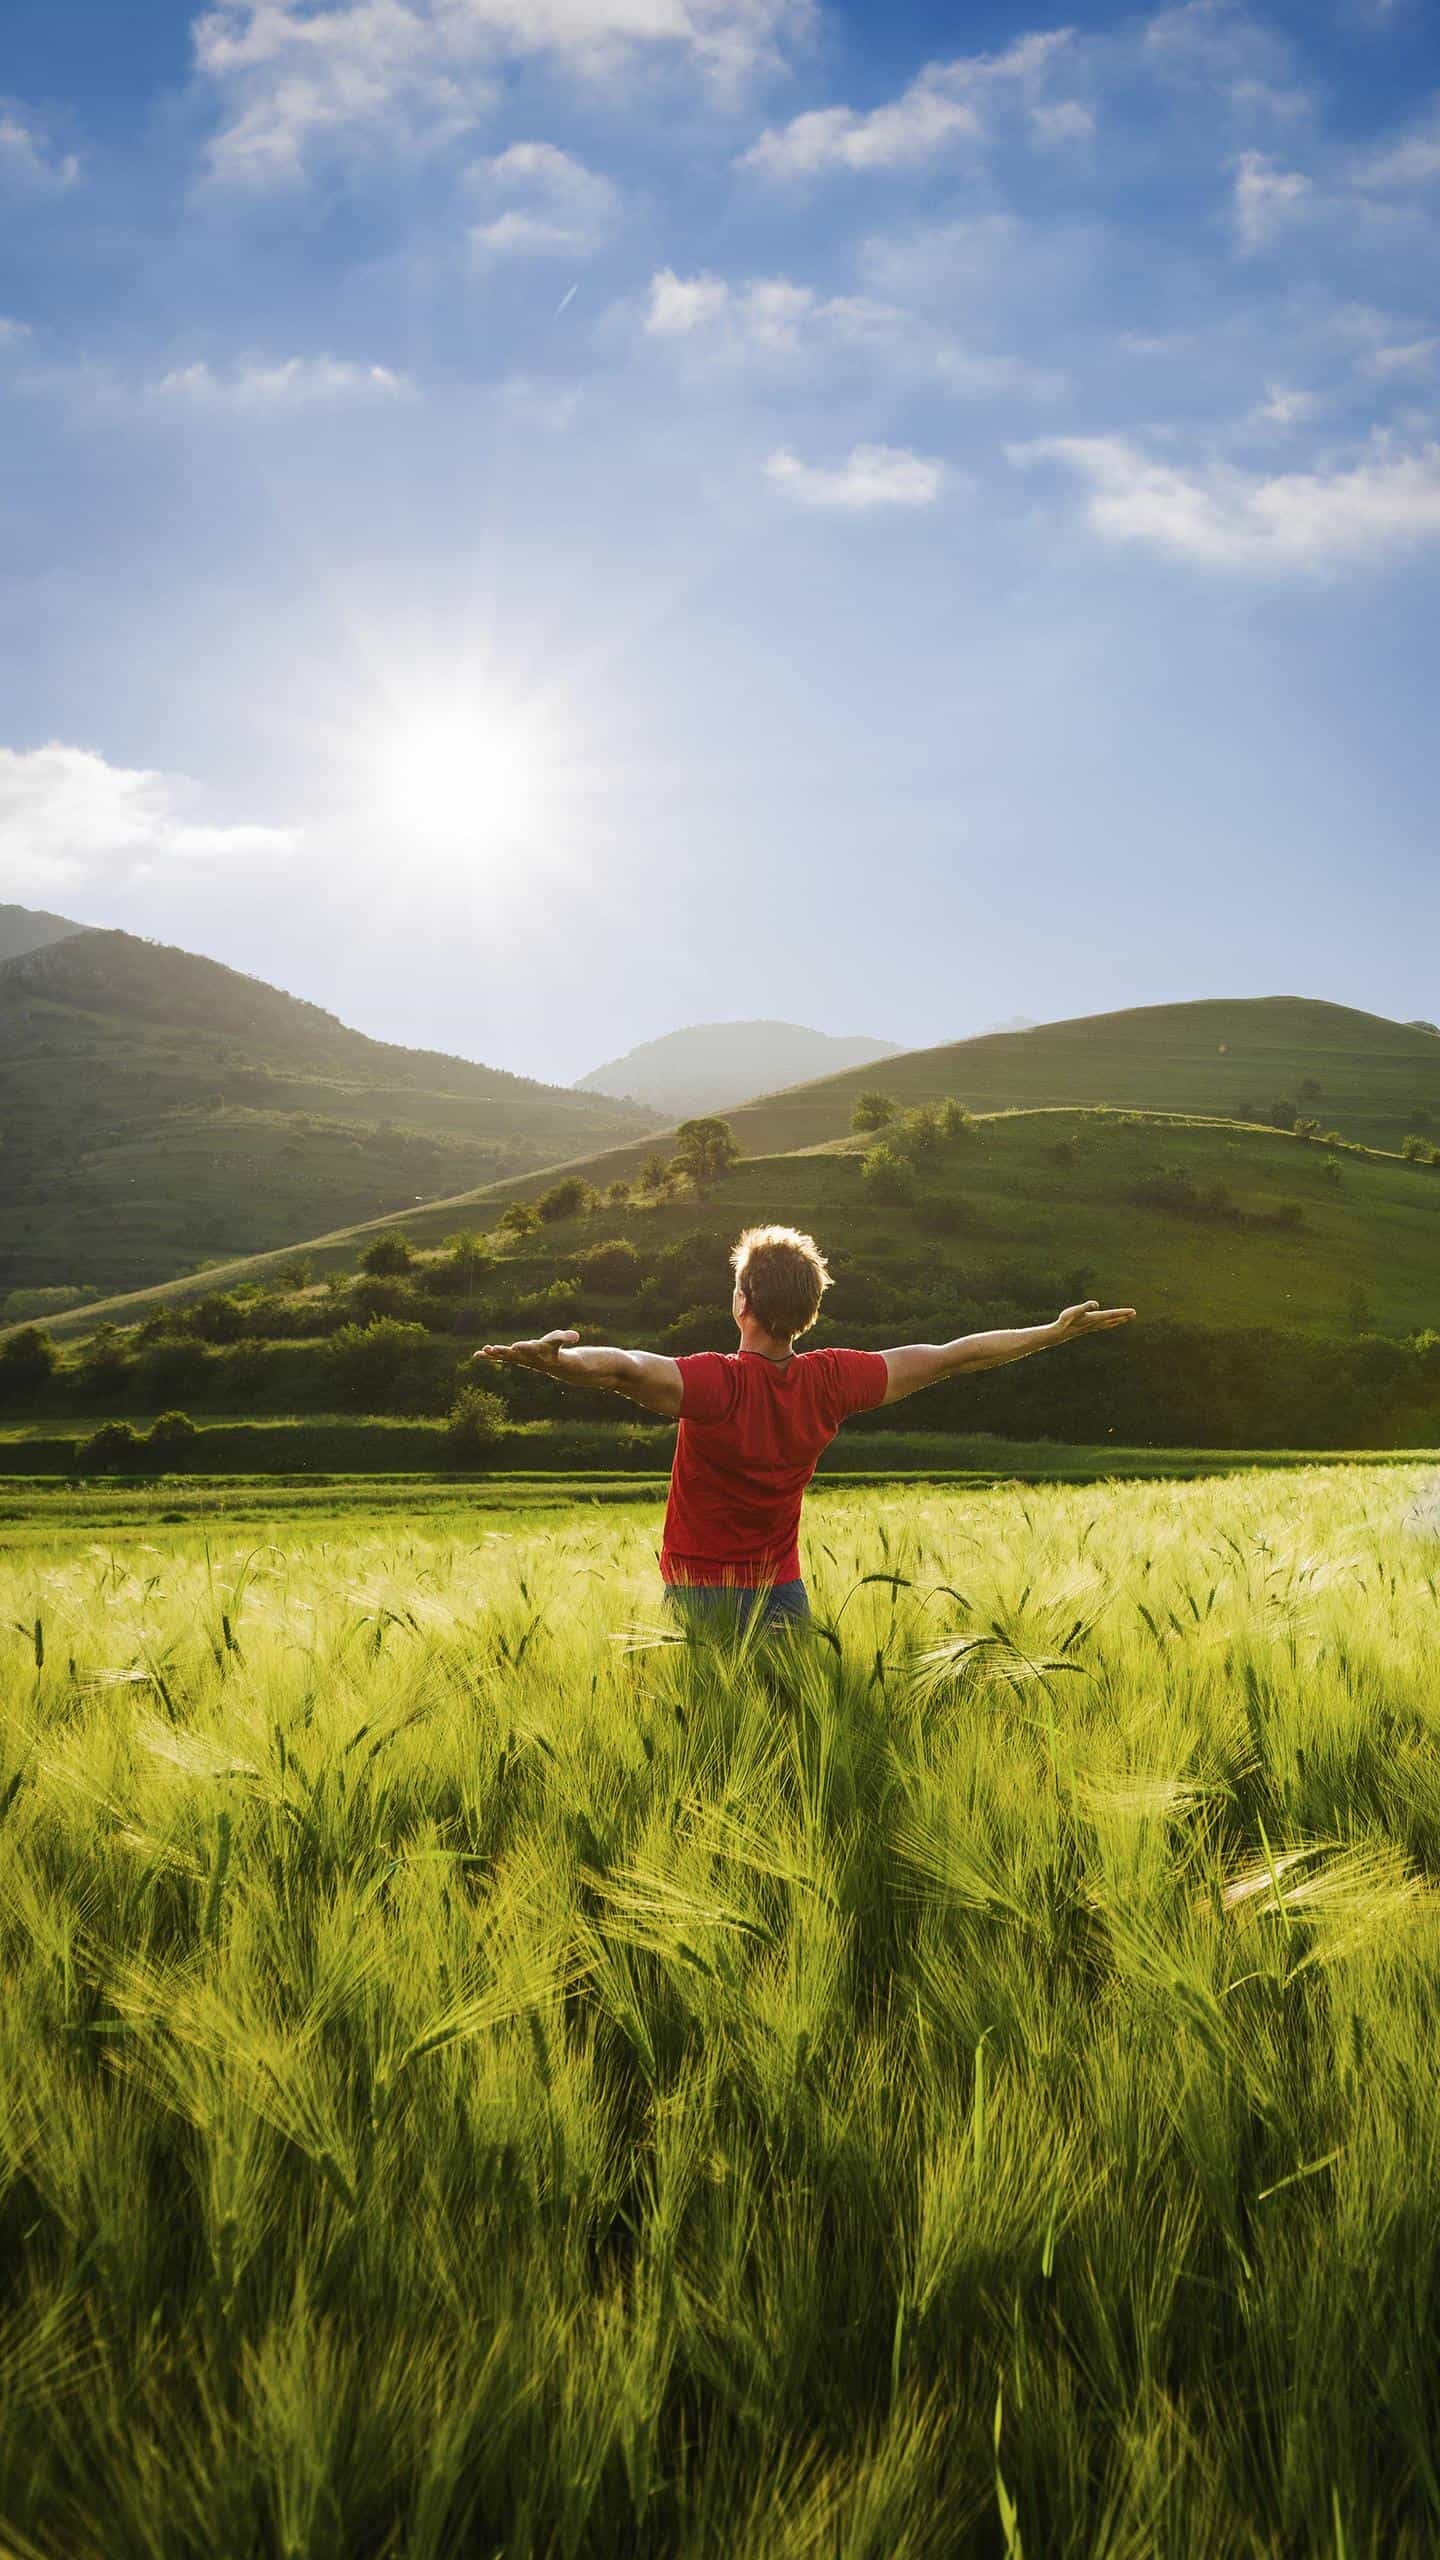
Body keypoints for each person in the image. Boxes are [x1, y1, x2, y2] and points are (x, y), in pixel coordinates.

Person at [478, 1223, 1135, 1634]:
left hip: (699, 1594)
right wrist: (1049, 1333)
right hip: (782, 1594)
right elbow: (956, 1355)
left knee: (710, 1751)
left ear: (742, 1303)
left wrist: (559, 1362)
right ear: (810, 1312)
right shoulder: (833, 1380)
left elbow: (624, 1369)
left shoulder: (714, 1382)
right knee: (792, 1750)